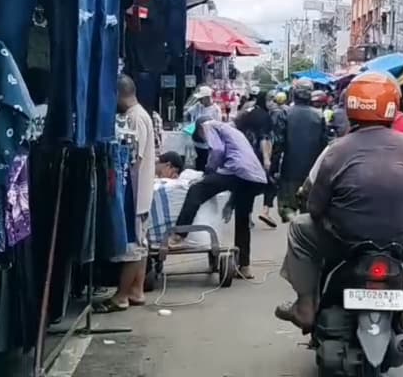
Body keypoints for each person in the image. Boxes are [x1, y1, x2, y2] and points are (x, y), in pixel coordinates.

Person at [275, 72, 403, 335]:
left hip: (343, 239)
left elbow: (315, 208)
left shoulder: (337, 148)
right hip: (401, 238)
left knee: (299, 227)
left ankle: (306, 305)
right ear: (393, 106)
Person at [171, 117, 267, 279]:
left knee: (196, 190)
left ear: (200, 128)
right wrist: (230, 204)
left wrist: (209, 171)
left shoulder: (210, 126)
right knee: (243, 220)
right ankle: (244, 266)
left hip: (236, 170)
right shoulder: (233, 131)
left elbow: (217, 151)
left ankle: (179, 235)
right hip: (254, 178)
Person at [97, 75, 159, 313]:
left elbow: (133, 158)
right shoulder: (140, 115)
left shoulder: (134, 119)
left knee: (133, 247)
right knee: (141, 245)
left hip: (135, 192)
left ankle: (122, 295)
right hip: (141, 191)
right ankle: (136, 290)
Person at [278, 79, 330, 222]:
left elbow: (278, 144)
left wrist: (274, 168)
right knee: (309, 212)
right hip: (312, 173)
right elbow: (325, 146)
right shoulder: (319, 116)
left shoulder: (286, 114)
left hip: (290, 170)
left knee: (287, 209)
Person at [235, 92, 278, 229]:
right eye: (270, 100)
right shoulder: (264, 117)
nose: (272, 103)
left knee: (248, 185)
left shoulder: (246, 113)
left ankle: (247, 215)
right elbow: (264, 138)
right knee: (271, 183)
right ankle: (265, 211)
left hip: (243, 154)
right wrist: (266, 159)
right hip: (258, 156)